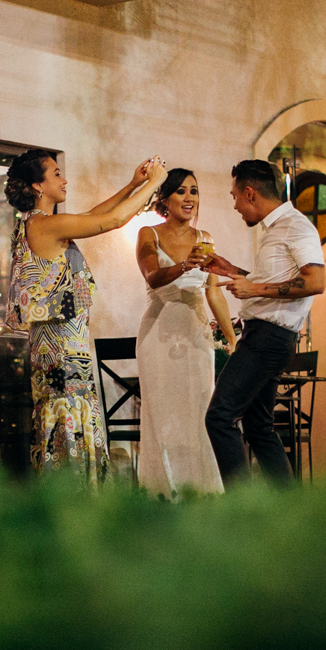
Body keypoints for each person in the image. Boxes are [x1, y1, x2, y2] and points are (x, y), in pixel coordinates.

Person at [5, 150, 168, 482]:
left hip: (59, 344)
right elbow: (110, 221)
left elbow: (95, 213)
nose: (64, 179)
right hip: (62, 348)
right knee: (69, 421)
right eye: (55, 173)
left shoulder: (37, 224)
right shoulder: (47, 224)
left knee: (68, 419)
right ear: (38, 184)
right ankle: (75, 499)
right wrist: (156, 182)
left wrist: (132, 185)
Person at [202, 159, 326, 486]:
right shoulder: (276, 230)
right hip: (265, 336)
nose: (234, 206)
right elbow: (274, 283)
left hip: (267, 339)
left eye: (234, 197)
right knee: (258, 428)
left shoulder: (296, 226)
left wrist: (254, 287)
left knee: (219, 417)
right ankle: (288, 512)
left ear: (250, 193)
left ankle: (244, 513)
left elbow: (316, 282)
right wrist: (232, 271)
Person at [135, 168, 235, 496]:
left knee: (201, 411)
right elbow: (152, 276)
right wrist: (185, 265)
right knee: (163, 413)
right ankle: (166, 492)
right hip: (159, 333)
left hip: (195, 334)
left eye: (194, 191)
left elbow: (214, 293)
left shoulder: (205, 238)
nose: (189, 197)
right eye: (181, 191)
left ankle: (204, 491)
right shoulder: (147, 233)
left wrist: (232, 339)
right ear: (164, 199)